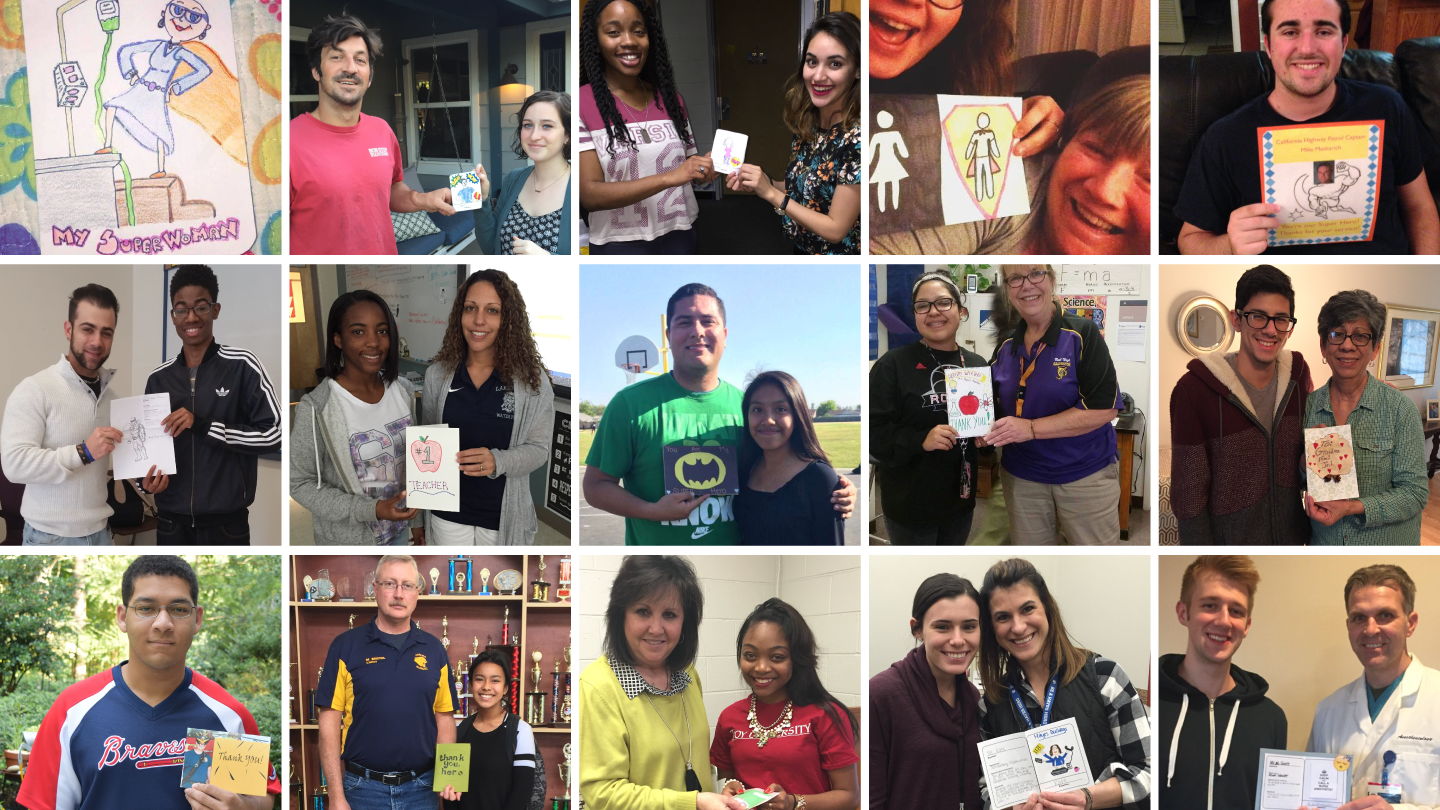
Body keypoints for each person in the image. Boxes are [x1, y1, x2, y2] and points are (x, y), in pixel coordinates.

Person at [582, 283, 854, 545]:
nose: (696, 331)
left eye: (707, 321)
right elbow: (596, 486)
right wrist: (653, 510)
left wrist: (834, 490)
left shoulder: (747, 406)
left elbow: (779, 473)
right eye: (684, 322)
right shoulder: (629, 405)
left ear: (724, 335)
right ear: (668, 335)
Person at [1174, 0, 1439, 255]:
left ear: (1344, 42)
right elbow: (1190, 241)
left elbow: (1419, 208)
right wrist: (1230, 246)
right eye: (1290, 32)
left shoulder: (1387, 107)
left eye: (1324, 31)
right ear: (1268, 45)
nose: (1307, 48)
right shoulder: (1226, 137)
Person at [18, 555, 279, 810]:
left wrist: (244, 806)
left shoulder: (228, 716)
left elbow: (263, 797)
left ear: (197, 619)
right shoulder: (72, 711)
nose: (163, 623)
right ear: (122, 617)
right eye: (146, 608)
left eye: (178, 610)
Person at [876, 75, 1150, 256]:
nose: (1104, 191)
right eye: (1095, 149)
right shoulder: (1013, 179)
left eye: (1149, 179)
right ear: (1064, 143)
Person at [1, 284, 168, 545]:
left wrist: (148, 484)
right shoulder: (34, 390)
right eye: (88, 329)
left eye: (106, 332)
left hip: (102, 534)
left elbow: (132, 466)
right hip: (48, 539)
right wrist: (83, 452)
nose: (97, 342)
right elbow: (14, 465)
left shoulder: (114, 400)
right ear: (69, 329)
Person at [979, 558, 1151, 810]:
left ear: (1047, 607)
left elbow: (1147, 770)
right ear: (992, 628)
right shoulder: (989, 704)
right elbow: (985, 790)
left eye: (1027, 609)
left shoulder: (1106, 676)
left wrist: (1087, 798)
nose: (1018, 626)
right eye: (1003, 617)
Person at [578, 556, 746, 810]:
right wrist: (694, 802)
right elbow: (603, 794)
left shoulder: (688, 674)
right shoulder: (598, 686)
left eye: (669, 614)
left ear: (685, 623)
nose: (656, 629)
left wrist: (720, 789)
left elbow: (685, 764)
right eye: (643, 612)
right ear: (620, 615)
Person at [1169, 265, 1313, 543]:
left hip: (1293, 542)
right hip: (1231, 552)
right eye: (1258, 317)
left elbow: (1307, 456)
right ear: (1237, 320)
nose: (1271, 330)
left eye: (1281, 319)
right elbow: (1189, 497)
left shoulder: (1299, 375)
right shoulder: (1192, 390)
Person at [290, 14, 454, 255]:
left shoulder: (382, 131)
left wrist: (423, 200)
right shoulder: (288, 142)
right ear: (316, 70)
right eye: (337, 57)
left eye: (360, 60)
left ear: (369, 77)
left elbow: (391, 189)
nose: (350, 68)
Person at [985, 266, 1122, 544]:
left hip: (1084, 475)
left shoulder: (1082, 333)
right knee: (1034, 566)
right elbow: (994, 404)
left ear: (1051, 279)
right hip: (1022, 478)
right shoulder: (1006, 344)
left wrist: (1031, 428)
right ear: (1007, 289)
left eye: (1035, 274)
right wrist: (983, 430)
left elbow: (1105, 408)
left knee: (1095, 567)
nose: (1026, 285)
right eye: (1015, 278)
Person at [145, 265, 281, 544]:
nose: (191, 317)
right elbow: (146, 449)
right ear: (173, 316)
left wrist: (203, 425)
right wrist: (143, 483)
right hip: (170, 521)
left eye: (201, 307)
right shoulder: (158, 379)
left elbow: (274, 435)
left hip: (227, 523)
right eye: (181, 309)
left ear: (215, 310)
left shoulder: (243, 366)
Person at [422, 270, 555, 545]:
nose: (478, 320)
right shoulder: (437, 375)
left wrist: (498, 461)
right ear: (460, 314)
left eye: (492, 311)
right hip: (447, 513)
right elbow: (426, 446)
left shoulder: (531, 381)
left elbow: (539, 449)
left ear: (508, 320)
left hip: (502, 516)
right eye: (471, 308)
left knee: (498, 586)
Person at [316, 555, 457, 810]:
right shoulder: (345, 646)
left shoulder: (435, 650)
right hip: (361, 790)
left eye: (407, 585)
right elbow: (329, 721)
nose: (399, 594)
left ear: (417, 593)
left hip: (422, 790)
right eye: (390, 584)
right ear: (375, 589)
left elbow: (444, 717)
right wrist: (336, 797)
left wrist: (446, 781)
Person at [577, 0, 716, 254]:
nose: (629, 41)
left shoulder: (672, 100)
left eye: (639, 31)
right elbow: (590, 194)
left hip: (681, 233)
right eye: (613, 32)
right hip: (618, 244)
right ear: (596, 42)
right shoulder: (582, 104)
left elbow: (686, 165)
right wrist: (669, 177)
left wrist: (702, 170)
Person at [290, 290, 422, 545]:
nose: (373, 342)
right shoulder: (318, 407)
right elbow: (299, 484)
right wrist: (371, 510)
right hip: (350, 542)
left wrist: (417, 523)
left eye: (382, 331)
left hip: (401, 530)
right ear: (338, 339)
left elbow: (414, 466)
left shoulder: (403, 390)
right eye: (358, 332)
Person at [726, 12, 861, 255]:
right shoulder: (807, 123)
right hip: (799, 249)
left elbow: (835, 229)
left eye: (835, 64)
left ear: (858, 70)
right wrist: (763, 182)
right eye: (811, 62)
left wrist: (771, 195)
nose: (818, 76)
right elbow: (800, 187)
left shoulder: (857, 139)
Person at [1159, 556, 1287, 810]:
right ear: (1184, 612)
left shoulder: (1271, 718)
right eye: (1210, 605)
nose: (1224, 621)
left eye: (1236, 611)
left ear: (1247, 625)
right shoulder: (1152, 706)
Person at [1308, 564, 1440, 807]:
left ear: (1411, 623)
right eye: (1359, 618)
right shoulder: (1327, 711)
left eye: (1385, 615)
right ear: (1349, 626)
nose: (1370, 629)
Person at [869, 272, 987, 544]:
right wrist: (920, 439)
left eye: (944, 303)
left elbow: (984, 424)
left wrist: (985, 438)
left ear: (961, 309)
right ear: (915, 314)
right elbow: (874, 436)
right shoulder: (893, 365)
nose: (933, 312)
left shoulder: (977, 364)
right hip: (911, 504)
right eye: (923, 306)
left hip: (961, 500)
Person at [1303, 289, 1427, 544]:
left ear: (1375, 349)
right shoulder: (1307, 407)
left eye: (1360, 336)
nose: (1347, 345)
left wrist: (1352, 507)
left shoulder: (1399, 409)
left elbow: (1415, 494)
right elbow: (1302, 483)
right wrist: (1304, 465)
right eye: (1337, 334)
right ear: (1323, 347)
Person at [710, 599, 859, 810]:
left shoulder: (825, 715)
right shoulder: (729, 717)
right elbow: (726, 782)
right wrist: (730, 788)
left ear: (797, 659)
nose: (761, 667)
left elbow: (849, 797)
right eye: (750, 655)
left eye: (777, 657)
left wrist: (792, 802)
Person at [869, 574, 984, 810]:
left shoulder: (974, 698)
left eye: (969, 626)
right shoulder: (882, 695)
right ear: (917, 629)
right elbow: (872, 799)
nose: (958, 640)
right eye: (942, 627)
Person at [99, 0, 213, 178]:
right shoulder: (157, 45)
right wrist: (131, 74)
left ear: (204, 27)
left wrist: (177, 86)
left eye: (193, 17)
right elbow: (126, 51)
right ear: (166, 13)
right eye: (177, 10)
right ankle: (107, 145)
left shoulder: (181, 52)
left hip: (158, 93)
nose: (182, 20)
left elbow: (204, 70)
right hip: (141, 88)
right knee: (112, 107)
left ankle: (160, 169)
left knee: (159, 128)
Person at [736, 371, 844, 545]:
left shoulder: (819, 477)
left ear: (797, 415)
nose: (768, 420)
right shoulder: (745, 468)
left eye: (780, 409)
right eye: (757, 409)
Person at [470, 91, 572, 256]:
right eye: (528, 125)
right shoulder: (513, 179)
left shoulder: (579, 185)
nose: (534, 136)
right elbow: (491, 248)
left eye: (547, 126)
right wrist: (481, 201)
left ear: (567, 134)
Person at [440, 649, 537, 810]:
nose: (486, 687)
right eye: (479, 679)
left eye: (495, 681)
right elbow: (450, 793)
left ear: (506, 688)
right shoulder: (458, 730)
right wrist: (446, 791)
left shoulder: (520, 730)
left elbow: (522, 793)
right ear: (470, 684)